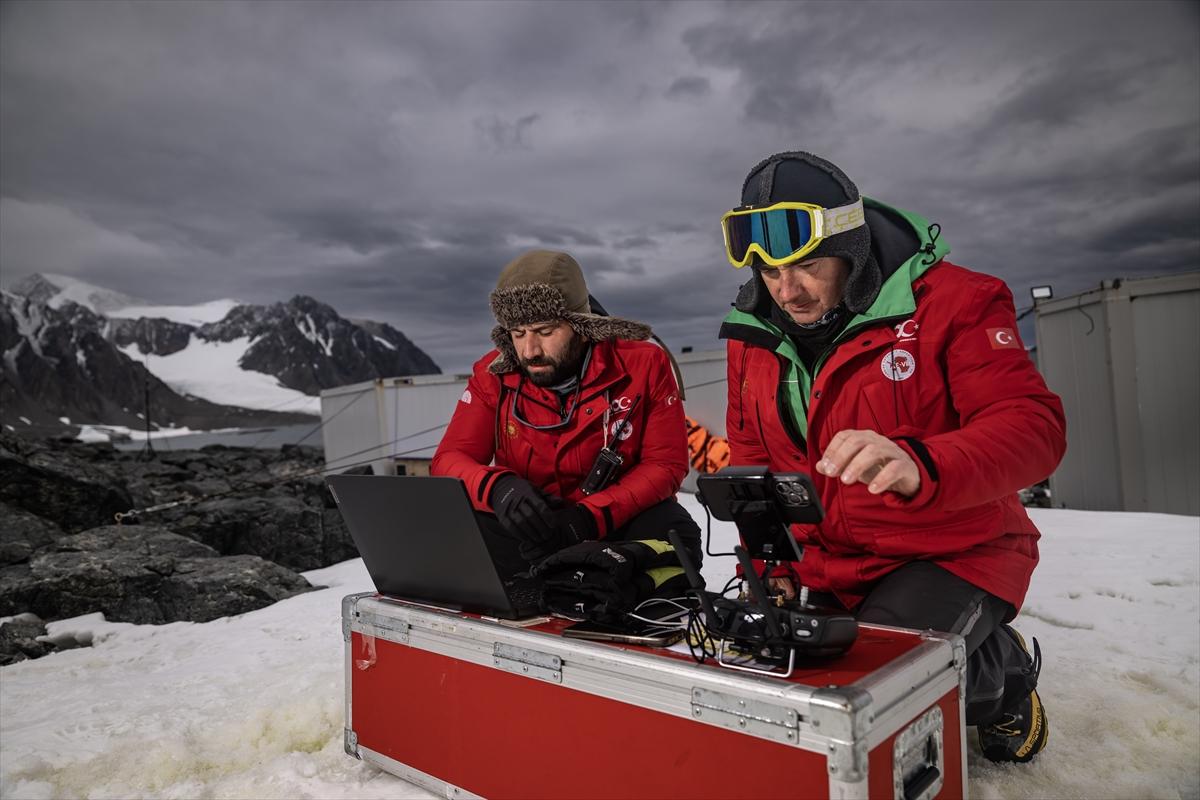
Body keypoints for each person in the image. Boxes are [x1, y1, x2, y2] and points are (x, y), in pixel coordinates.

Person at [718, 151, 1066, 763]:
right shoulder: (752, 331)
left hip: (952, 553)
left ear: (849, 248)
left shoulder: (959, 302)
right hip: (825, 562)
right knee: (777, 676)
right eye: (770, 271)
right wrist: (767, 558)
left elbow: (1034, 429)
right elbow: (752, 455)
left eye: (806, 266)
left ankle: (1002, 677)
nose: (787, 290)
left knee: (883, 693)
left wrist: (924, 462)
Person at [432, 249, 701, 580]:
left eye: (545, 331)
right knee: (460, 530)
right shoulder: (492, 373)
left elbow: (665, 466)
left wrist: (588, 518)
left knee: (674, 534)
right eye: (518, 334)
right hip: (531, 527)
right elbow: (449, 459)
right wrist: (499, 488)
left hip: (613, 524)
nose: (529, 350)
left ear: (581, 325)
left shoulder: (644, 365)